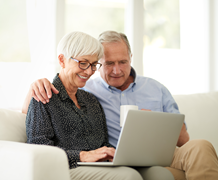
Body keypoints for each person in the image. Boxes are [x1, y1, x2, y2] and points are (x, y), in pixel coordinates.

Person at [23, 30, 218, 180]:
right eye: (107, 63)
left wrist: (153, 125)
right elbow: (34, 131)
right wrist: (34, 87)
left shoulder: (90, 99)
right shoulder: (72, 90)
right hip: (94, 163)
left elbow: (183, 139)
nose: (89, 71)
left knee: (202, 145)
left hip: (145, 154)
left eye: (92, 65)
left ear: (131, 58)